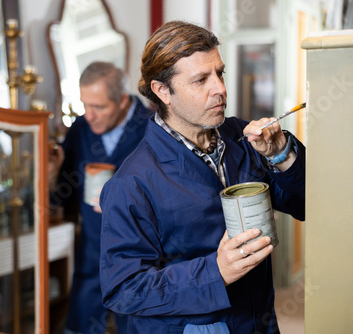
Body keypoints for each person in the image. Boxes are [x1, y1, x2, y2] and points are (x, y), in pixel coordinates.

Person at [99, 21, 305, 333]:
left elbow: (308, 205)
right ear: (162, 90)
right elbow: (124, 290)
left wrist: (281, 154)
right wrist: (215, 271)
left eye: (219, 73)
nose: (220, 88)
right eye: (200, 80)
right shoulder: (131, 184)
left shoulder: (243, 140)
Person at [49, 61, 152, 334]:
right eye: (85, 105)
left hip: (141, 253)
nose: (89, 115)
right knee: (81, 325)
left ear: (121, 101)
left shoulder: (153, 128)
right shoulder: (81, 129)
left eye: (99, 107)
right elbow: (64, 194)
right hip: (93, 249)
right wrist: (52, 173)